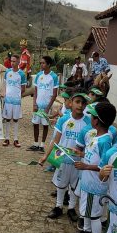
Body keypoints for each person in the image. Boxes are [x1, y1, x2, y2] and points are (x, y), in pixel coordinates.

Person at [70, 102, 117, 233]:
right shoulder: (96, 136)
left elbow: (104, 166)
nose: (90, 117)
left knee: (94, 215)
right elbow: (93, 156)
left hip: (95, 185)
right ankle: (86, 232)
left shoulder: (105, 141)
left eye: (92, 116)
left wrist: (85, 167)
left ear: (96, 120)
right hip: (88, 182)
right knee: (87, 211)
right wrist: (81, 155)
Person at [39, 91, 92, 221]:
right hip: (62, 158)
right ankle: (58, 207)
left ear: (86, 106)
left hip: (78, 161)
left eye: (83, 103)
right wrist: (46, 156)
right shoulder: (64, 119)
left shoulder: (88, 123)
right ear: (70, 103)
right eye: (77, 102)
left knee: (74, 185)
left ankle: (71, 208)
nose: (80, 105)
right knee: (61, 183)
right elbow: (55, 140)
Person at [28, 55, 59, 152]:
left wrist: (48, 107)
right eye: (40, 63)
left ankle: (42, 146)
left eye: (43, 63)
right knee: (35, 124)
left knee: (45, 125)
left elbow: (54, 94)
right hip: (37, 106)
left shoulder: (53, 77)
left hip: (46, 106)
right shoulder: (38, 75)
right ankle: (35, 144)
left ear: (49, 64)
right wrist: (34, 104)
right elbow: (35, 91)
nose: (41, 64)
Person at [2, 53, 27, 147]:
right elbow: (5, 85)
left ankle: (16, 139)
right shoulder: (7, 72)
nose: (12, 63)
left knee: (16, 120)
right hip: (7, 101)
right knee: (7, 119)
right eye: (11, 61)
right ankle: (7, 138)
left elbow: (23, 89)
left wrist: (17, 96)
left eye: (14, 61)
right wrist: (4, 94)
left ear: (18, 62)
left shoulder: (22, 74)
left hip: (16, 101)